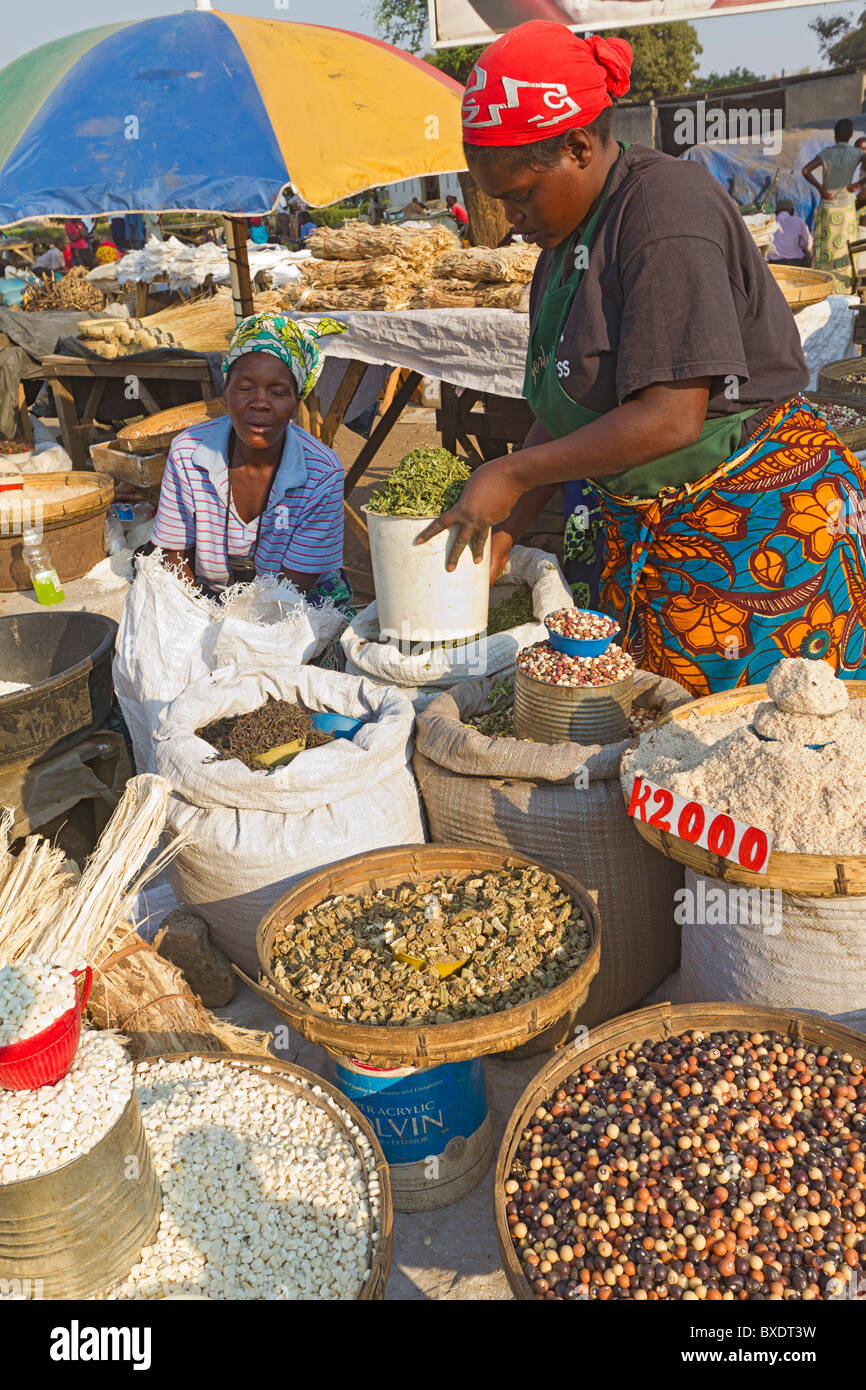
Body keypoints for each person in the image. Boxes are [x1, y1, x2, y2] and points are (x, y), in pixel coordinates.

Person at [418, 22, 866, 695]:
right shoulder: (565, 242)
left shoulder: (663, 213)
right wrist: (506, 532)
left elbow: (671, 417)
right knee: (657, 738)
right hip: (658, 532)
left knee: (748, 743)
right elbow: (569, 409)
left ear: (577, 146)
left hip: (755, 537)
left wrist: (509, 473)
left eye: (518, 194)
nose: (510, 219)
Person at [150, 313, 352, 611]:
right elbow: (172, 556)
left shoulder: (322, 474)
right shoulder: (188, 454)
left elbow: (289, 591)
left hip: (297, 604)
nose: (259, 402)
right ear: (225, 393)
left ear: (296, 404)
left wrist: (234, 634)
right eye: (245, 389)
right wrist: (197, 617)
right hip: (204, 600)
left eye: (278, 392)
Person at [803, 120, 866, 291]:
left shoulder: (827, 153)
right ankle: (844, 289)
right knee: (844, 249)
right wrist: (858, 184)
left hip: (827, 207)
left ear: (835, 135)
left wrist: (821, 189)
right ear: (851, 134)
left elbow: (805, 171)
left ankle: (824, 288)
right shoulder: (857, 153)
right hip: (845, 208)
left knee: (825, 249)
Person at [768, 199, 813, 267]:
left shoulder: (769, 222)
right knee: (808, 253)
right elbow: (807, 243)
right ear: (792, 211)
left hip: (773, 262)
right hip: (796, 262)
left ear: (776, 212)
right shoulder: (798, 221)